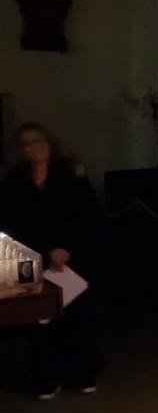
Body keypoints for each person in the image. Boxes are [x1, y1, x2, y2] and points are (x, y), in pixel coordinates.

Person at [0, 123, 103, 399]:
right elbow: (12, 224)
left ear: (49, 141)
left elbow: (86, 214)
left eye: (38, 140)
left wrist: (66, 248)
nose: (34, 146)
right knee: (42, 322)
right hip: (33, 260)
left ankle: (84, 373)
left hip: (73, 256)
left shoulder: (70, 172)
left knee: (79, 318)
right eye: (26, 143)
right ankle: (48, 377)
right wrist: (44, 252)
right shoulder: (13, 182)